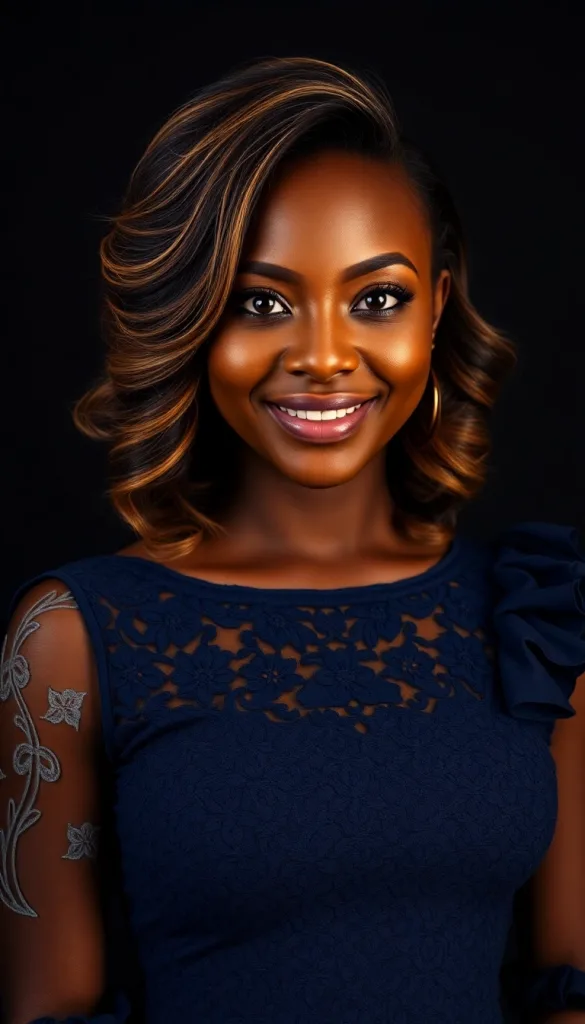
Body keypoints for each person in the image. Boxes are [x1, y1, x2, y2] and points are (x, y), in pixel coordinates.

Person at [0, 55, 584, 1024]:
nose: (322, 356)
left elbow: (572, 982)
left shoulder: (538, 618)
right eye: (260, 301)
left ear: (438, 306)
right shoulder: (70, 639)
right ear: (193, 315)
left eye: (377, 298)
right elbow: (47, 1010)